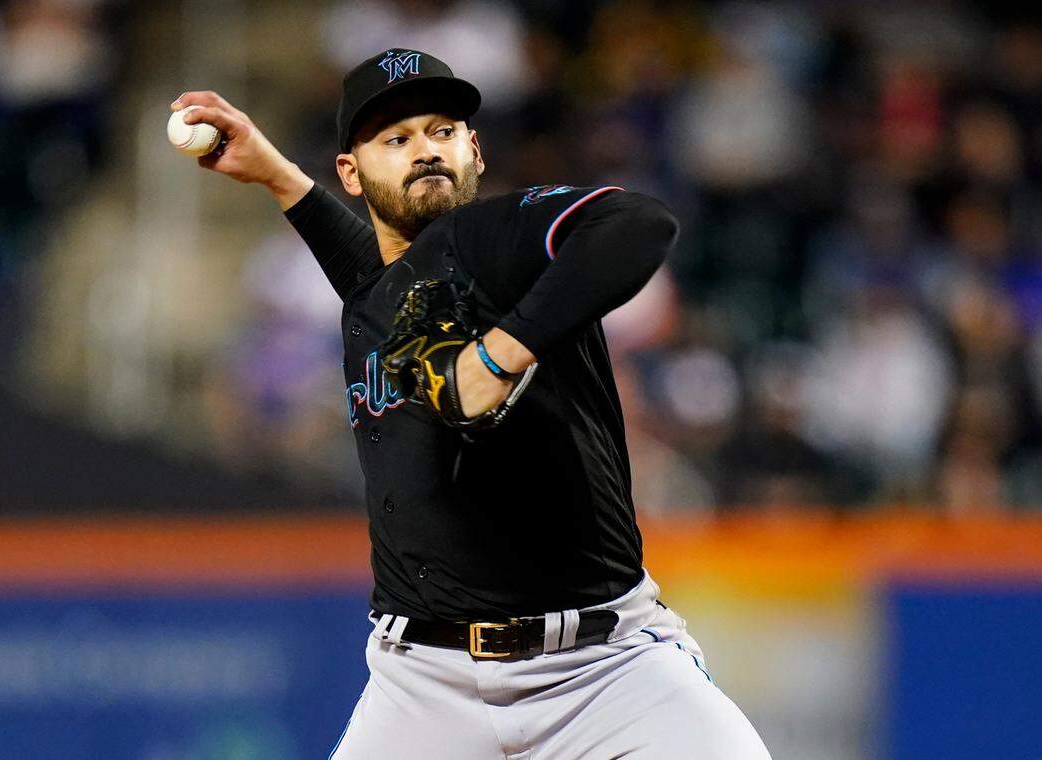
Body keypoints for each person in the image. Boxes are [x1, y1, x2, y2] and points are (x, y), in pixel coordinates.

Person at [172, 48, 772, 760]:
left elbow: (639, 222)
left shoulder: (504, 236)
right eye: (396, 139)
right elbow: (372, 270)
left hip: (603, 670)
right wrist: (277, 175)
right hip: (422, 686)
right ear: (351, 174)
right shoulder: (380, 295)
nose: (426, 150)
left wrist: (498, 355)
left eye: (443, 131)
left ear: (475, 152)